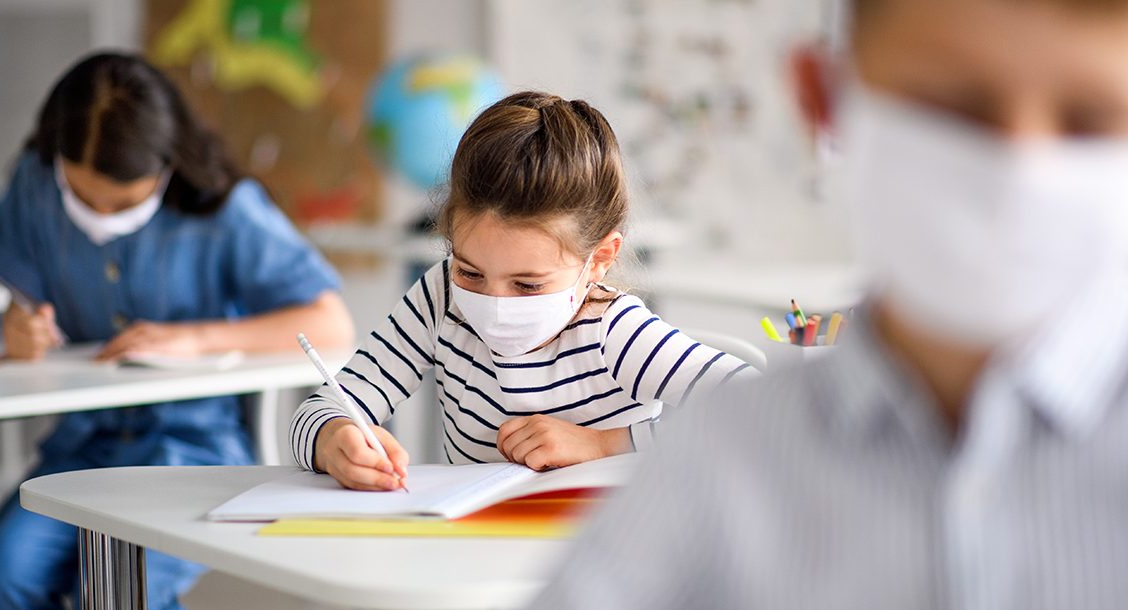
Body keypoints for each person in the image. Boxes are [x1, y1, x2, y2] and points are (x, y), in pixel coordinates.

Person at [528, 0, 1128, 608]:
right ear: (826, 100)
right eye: (955, 107)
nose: (1018, 171)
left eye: (1093, 120)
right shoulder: (713, 462)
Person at [0, 52, 354, 610]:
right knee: (0, 575)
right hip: (81, 449)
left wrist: (197, 338)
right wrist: (19, 327)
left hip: (192, 449)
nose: (100, 215)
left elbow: (330, 322)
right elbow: (20, 299)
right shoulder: (33, 184)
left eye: (123, 203)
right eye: (81, 197)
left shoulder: (225, 208)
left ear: (166, 165)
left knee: (120, 592)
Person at [289, 91, 751, 490]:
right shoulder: (438, 298)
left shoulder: (613, 331)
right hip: (478, 559)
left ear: (601, 259)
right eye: (470, 272)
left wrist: (604, 443)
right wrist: (334, 439)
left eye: (528, 285)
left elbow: (760, 409)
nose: (493, 305)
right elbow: (324, 406)